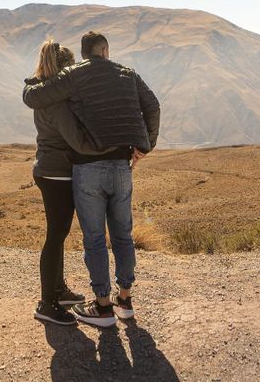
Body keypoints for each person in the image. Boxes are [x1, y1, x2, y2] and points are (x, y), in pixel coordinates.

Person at [22, 30, 160, 328]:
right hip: (91, 169)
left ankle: (86, 300)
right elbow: (151, 106)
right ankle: (112, 301)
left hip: (72, 169)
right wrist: (133, 146)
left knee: (82, 237)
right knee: (111, 235)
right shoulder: (121, 76)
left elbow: (34, 97)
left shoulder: (61, 85)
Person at [26, 39, 106, 326]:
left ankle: (58, 291)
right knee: (55, 237)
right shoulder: (58, 103)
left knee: (58, 235)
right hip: (58, 173)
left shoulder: (43, 94)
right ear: (66, 70)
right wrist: (106, 149)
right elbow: (77, 142)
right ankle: (47, 303)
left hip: (49, 170)